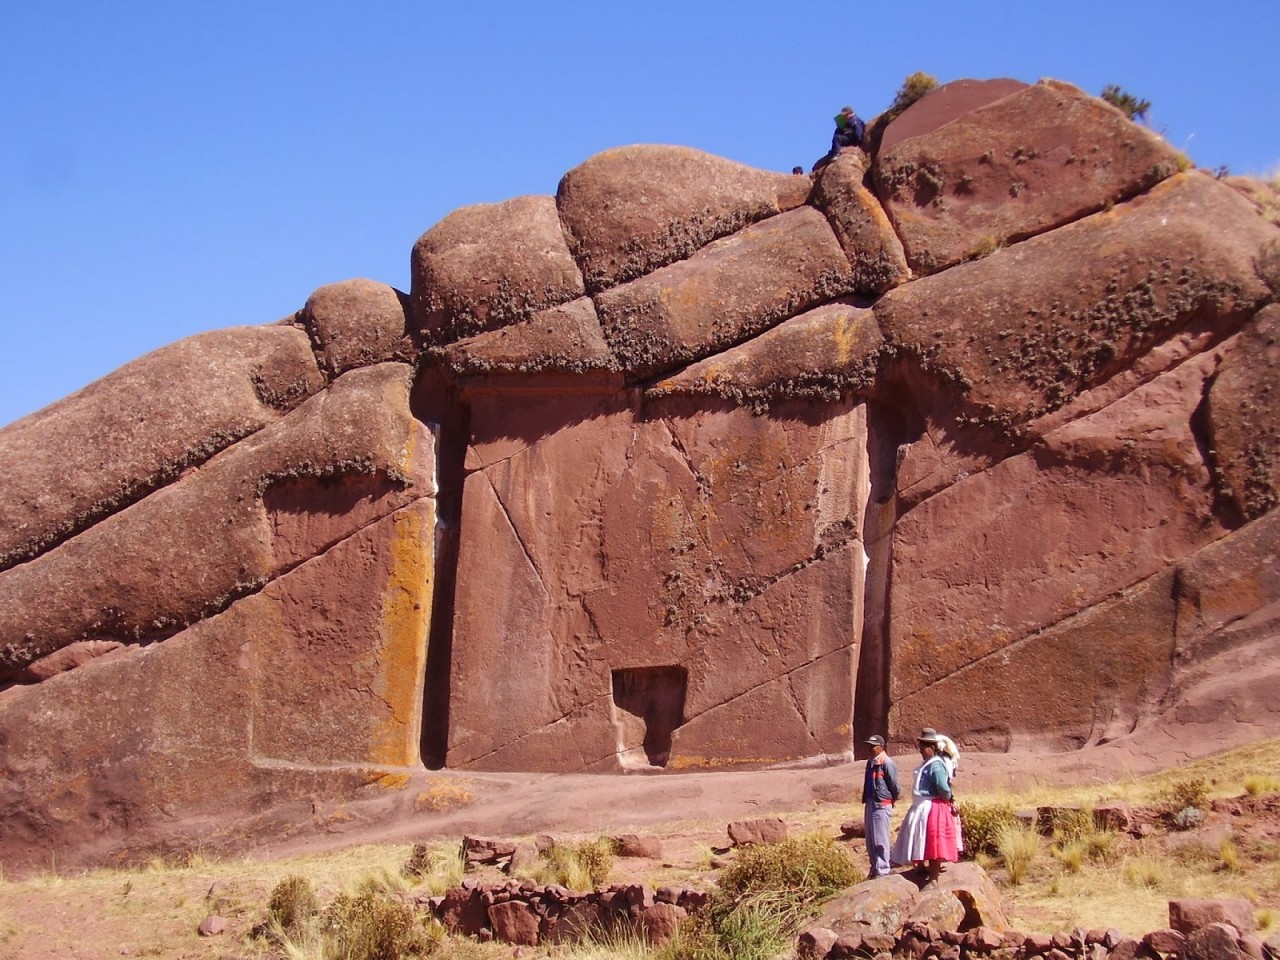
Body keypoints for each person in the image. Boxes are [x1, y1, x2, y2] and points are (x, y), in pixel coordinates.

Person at [890, 727, 959, 888]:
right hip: (922, 806)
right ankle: (921, 868)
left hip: (932, 807)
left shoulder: (936, 765)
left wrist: (948, 798)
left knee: (933, 841)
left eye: (923, 747)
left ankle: (933, 878)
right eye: (920, 746)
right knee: (919, 838)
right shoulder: (926, 764)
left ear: (932, 748)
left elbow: (943, 787)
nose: (920, 750)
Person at [861, 734, 900, 879]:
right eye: (869, 746)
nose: (870, 749)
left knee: (880, 837)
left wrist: (891, 800)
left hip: (882, 804)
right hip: (871, 802)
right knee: (870, 837)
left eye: (873, 746)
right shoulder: (870, 762)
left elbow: (895, 786)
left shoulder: (887, 763)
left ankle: (883, 869)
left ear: (881, 747)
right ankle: (874, 868)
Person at [813, 106, 866, 171]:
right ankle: (834, 151)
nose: (843, 117)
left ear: (849, 114)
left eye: (844, 115)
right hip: (849, 137)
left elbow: (858, 132)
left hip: (853, 139)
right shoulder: (850, 121)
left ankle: (836, 154)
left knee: (837, 138)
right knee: (838, 131)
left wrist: (857, 143)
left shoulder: (854, 120)